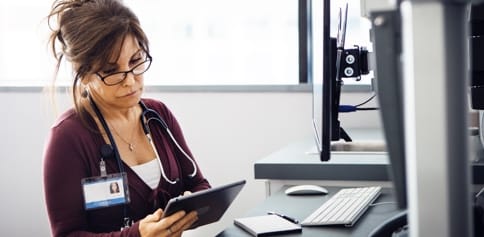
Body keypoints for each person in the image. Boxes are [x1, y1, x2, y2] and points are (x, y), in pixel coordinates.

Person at [42, 0, 211, 236]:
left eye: (135, 61)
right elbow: (67, 233)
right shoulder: (68, 137)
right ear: (84, 74)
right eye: (111, 71)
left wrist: (191, 206)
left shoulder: (159, 116)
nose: (130, 81)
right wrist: (137, 235)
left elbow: (198, 185)